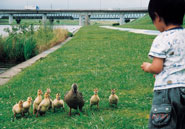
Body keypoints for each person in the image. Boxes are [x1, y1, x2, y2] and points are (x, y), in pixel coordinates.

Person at [141, 0, 185, 128]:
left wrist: (148, 67)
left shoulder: (162, 38)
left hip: (167, 93)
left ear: (158, 17)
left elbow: (157, 67)